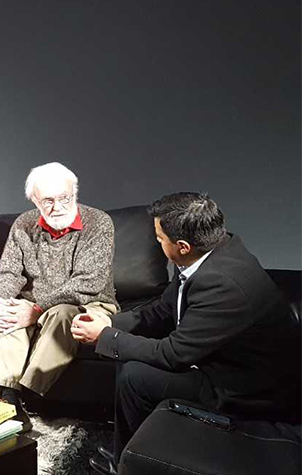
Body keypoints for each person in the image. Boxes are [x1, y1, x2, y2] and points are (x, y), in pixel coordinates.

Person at [72, 192, 297, 475]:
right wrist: (110, 322)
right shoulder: (213, 252)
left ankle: (126, 464)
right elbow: (162, 310)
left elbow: (174, 355)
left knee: (135, 377)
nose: (156, 242)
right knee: (128, 360)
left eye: (159, 239)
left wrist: (105, 337)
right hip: (221, 364)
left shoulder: (222, 285)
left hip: (244, 389)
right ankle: (129, 450)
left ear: (182, 245)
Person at [0, 162, 118, 432]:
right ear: (35, 200)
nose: (58, 206)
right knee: (8, 313)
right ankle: (6, 396)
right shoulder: (23, 224)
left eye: (65, 198)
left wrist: (35, 307)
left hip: (88, 302)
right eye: (48, 200)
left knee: (63, 314)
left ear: (75, 193)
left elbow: (87, 283)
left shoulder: (99, 223)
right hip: (33, 303)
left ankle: (26, 393)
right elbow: (8, 271)